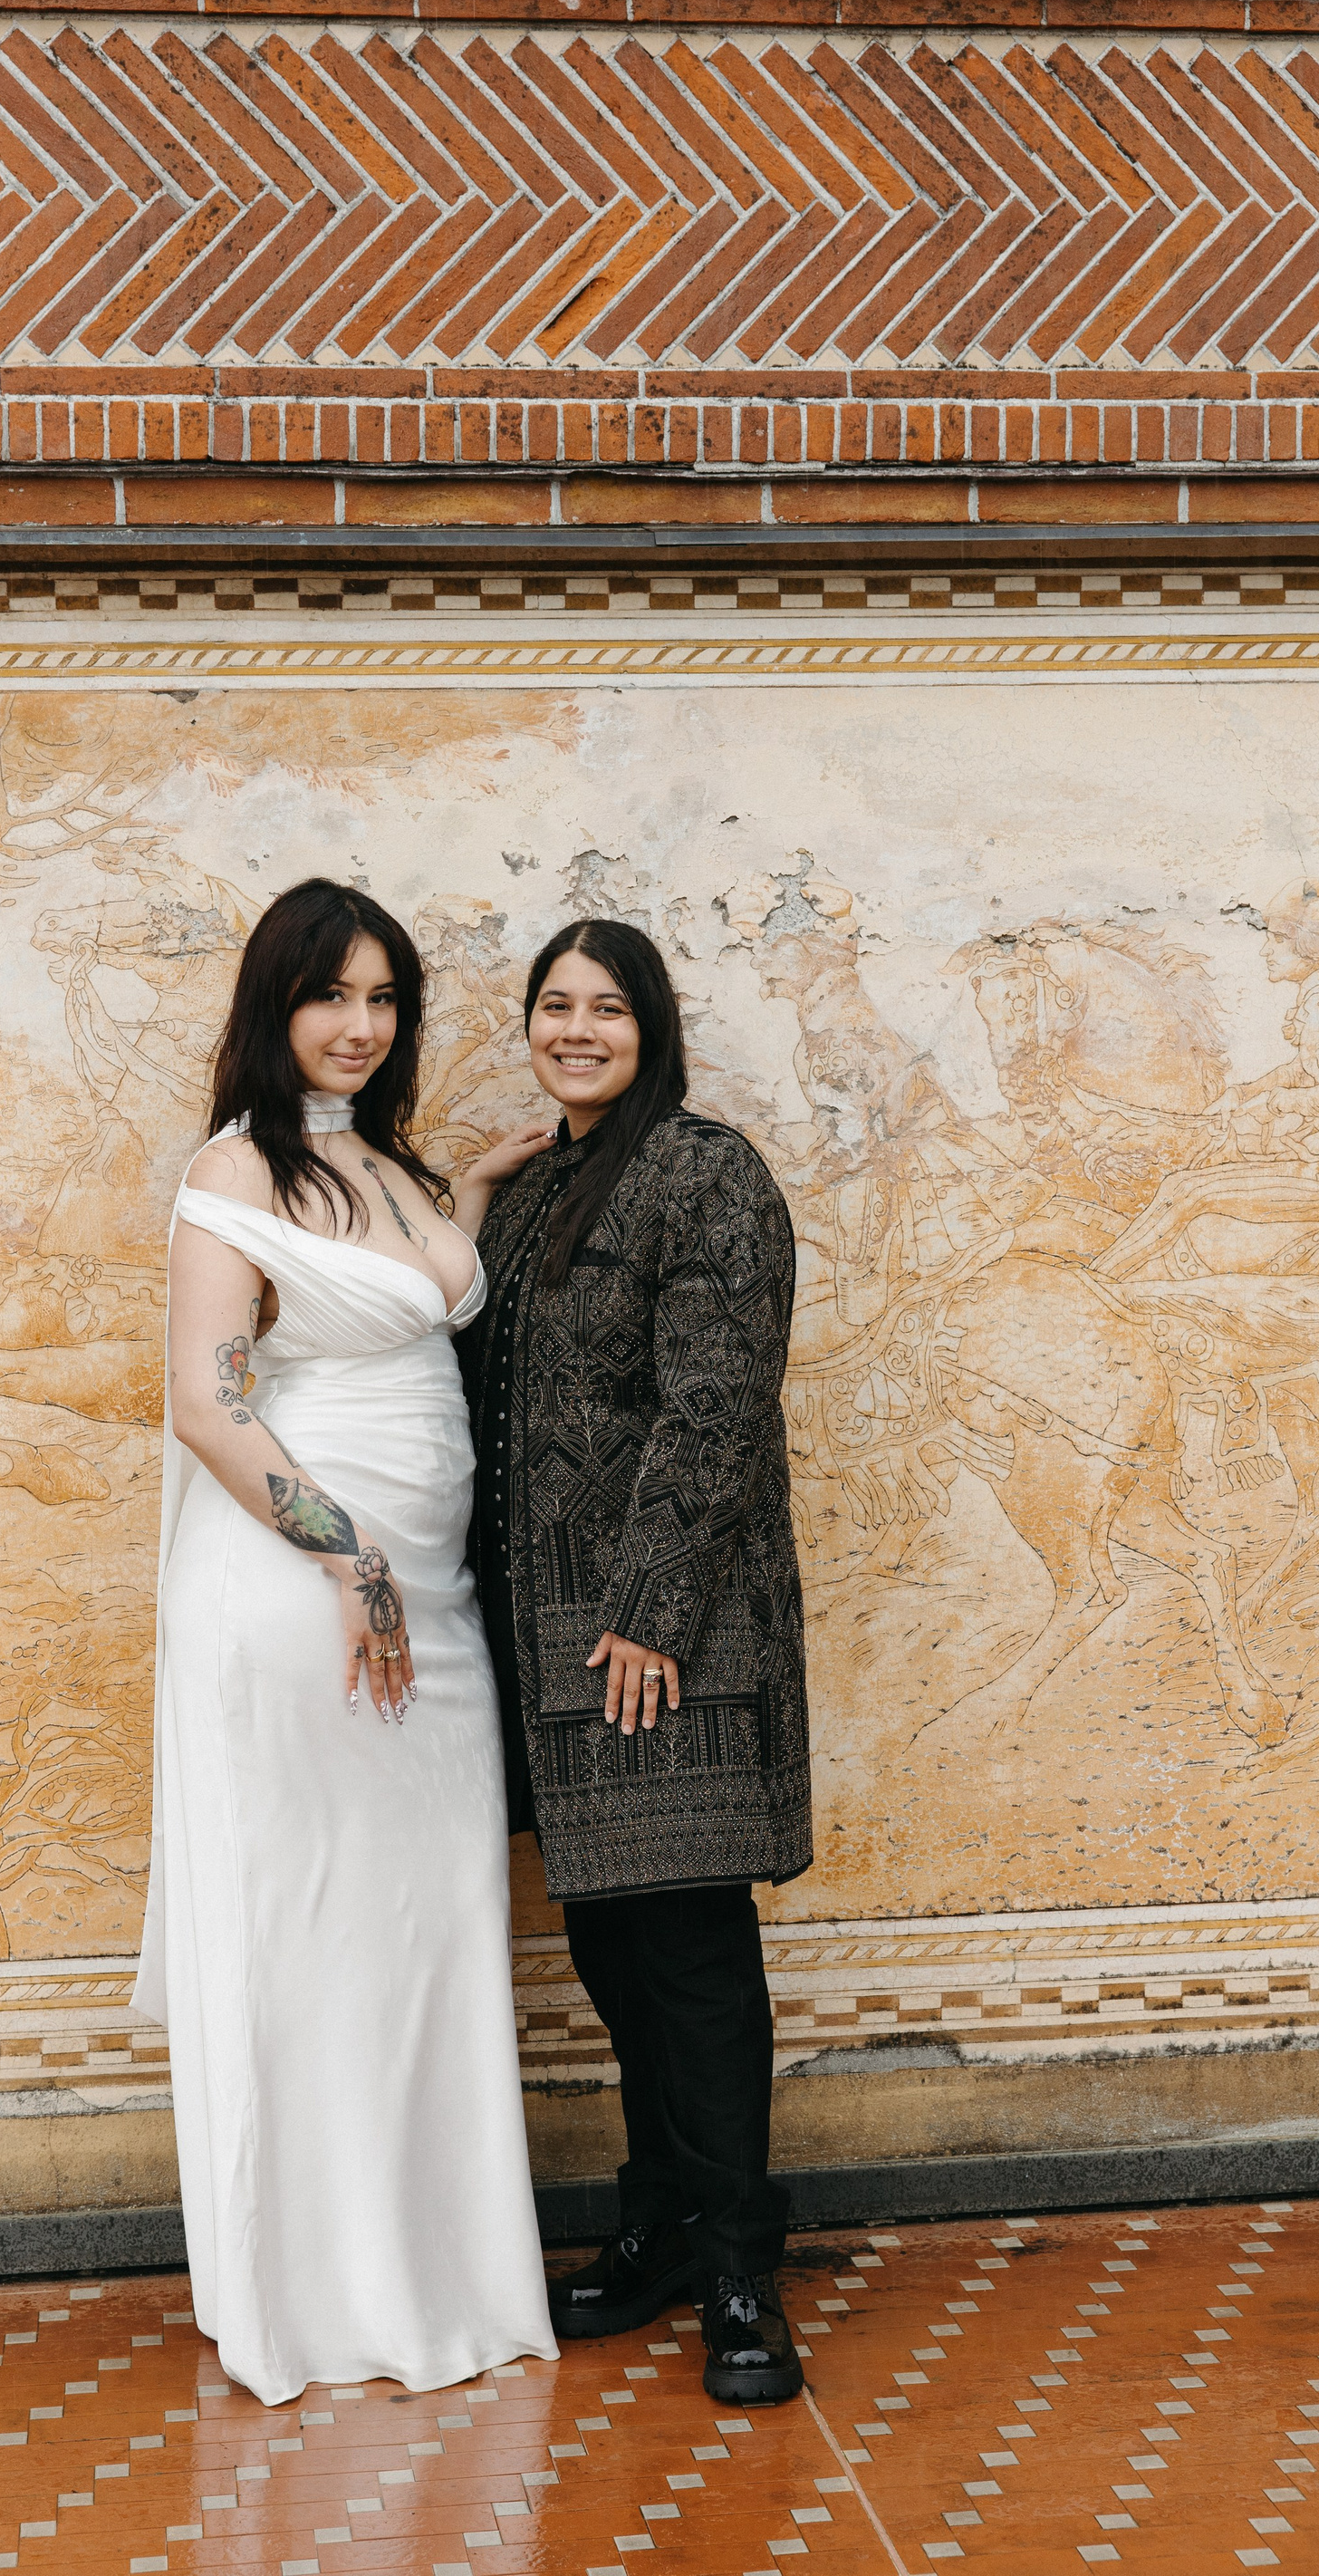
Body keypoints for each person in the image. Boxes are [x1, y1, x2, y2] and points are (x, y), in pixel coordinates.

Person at [133, 877, 557, 2407]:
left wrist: (474, 1199)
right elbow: (209, 1402)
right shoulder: (232, 1169)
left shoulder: (384, 1161)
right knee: (315, 1931)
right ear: (276, 1004)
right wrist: (350, 1557)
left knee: (424, 1929)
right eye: (331, 996)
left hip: (426, 1602)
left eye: (384, 999)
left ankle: (434, 2272)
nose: (360, 1025)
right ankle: (310, 2293)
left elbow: (404, 1310)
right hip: (303, 1595)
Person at [451, 920, 812, 2406]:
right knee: (610, 1941)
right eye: (556, 1005)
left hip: (666, 1635)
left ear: (652, 1028)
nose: (578, 1029)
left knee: (691, 1948)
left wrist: (655, 1609)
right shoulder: (540, 1187)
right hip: (548, 1638)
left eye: (608, 1007)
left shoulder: (705, 1172)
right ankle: (660, 2222)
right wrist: (474, 1197)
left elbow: (716, 1406)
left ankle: (740, 2267)